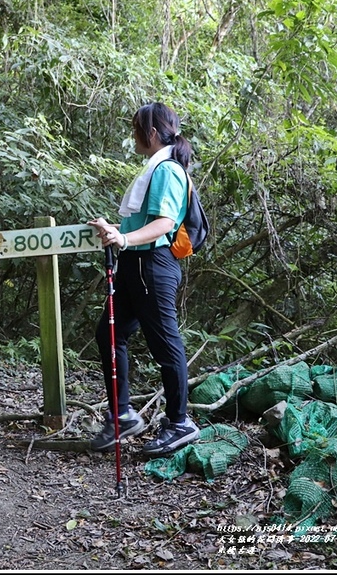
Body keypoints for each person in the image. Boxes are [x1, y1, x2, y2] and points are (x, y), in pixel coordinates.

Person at [86, 101, 200, 456]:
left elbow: (164, 224)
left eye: (135, 128)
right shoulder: (156, 168)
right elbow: (141, 223)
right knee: (109, 333)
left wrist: (123, 239)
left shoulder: (167, 169)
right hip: (135, 264)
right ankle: (122, 416)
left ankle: (179, 422)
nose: (132, 135)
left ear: (151, 133)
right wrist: (117, 232)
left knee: (165, 343)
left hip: (153, 264)